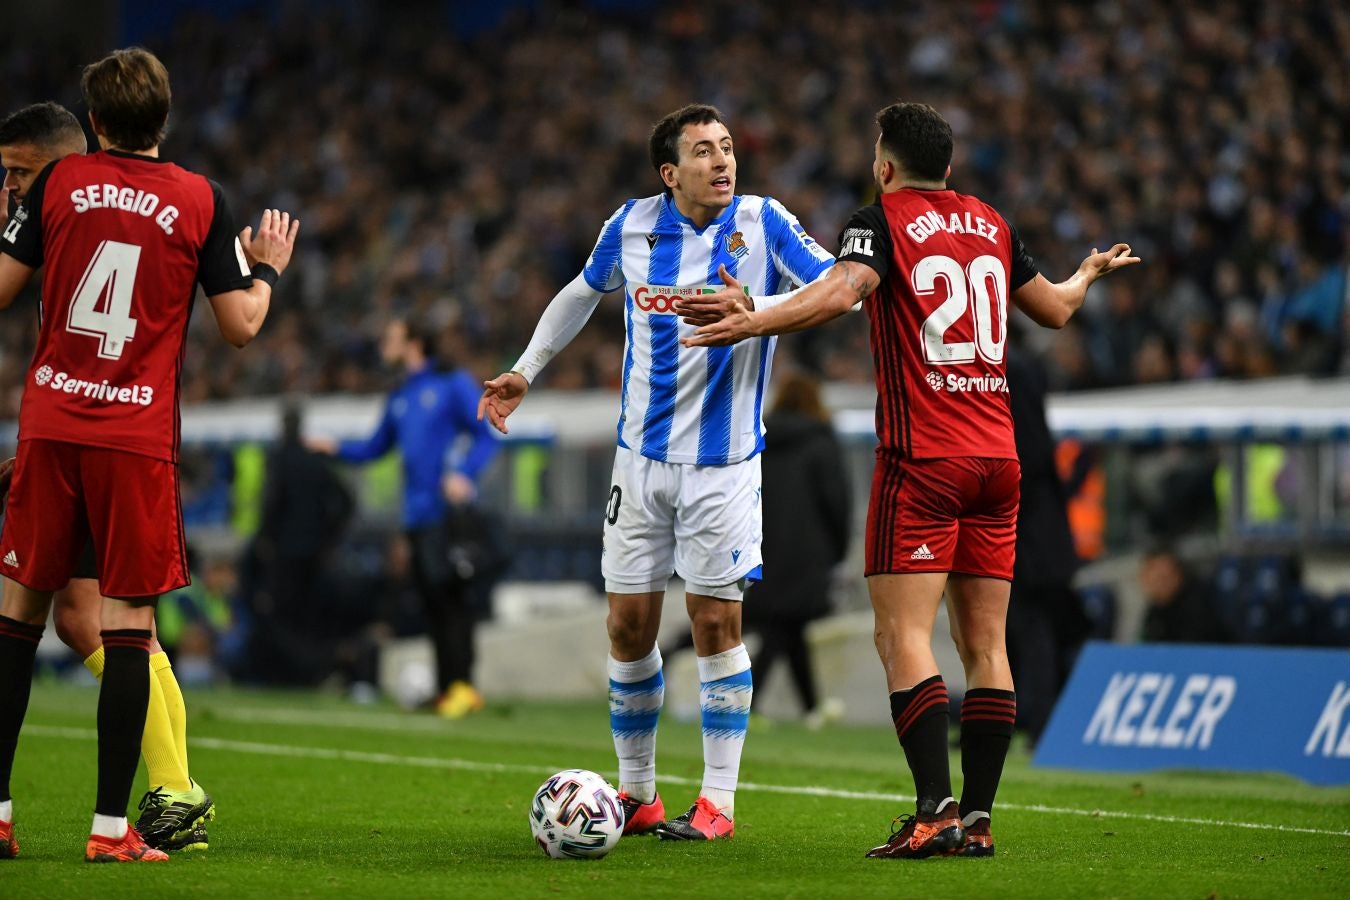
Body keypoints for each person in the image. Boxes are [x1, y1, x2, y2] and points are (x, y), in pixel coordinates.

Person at [678, 101, 1138, 858]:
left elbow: (842, 291)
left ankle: (933, 811)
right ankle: (979, 819)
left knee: (902, 634)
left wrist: (754, 317)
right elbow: (1053, 310)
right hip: (999, 459)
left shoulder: (878, 219)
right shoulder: (991, 221)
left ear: (884, 166)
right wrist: (1085, 273)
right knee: (987, 643)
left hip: (924, 459)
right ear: (950, 168)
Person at [479, 103, 835, 841]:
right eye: (703, 151)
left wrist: (757, 306)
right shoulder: (633, 226)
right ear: (670, 172)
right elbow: (583, 290)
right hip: (638, 463)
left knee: (714, 623)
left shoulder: (765, 222)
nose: (722, 161)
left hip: (724, 466)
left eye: (728, 147)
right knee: (628, 626)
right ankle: (637, 794)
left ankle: (718, 802)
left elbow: (834, 285)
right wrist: (525, 370)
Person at [0, 47, 298, 863]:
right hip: (133, 438)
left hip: (52, 424)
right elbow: (241, 327)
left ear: (93, 123)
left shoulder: (58, 186)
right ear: (165, 117)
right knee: (128, 626)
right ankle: (109, 830)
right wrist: (268, 270)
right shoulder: (202, 199)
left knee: (18, 618)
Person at [0, 100, 220, 854]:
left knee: (99, 619)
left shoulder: (64, 210)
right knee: (85, 619)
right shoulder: (66, 220)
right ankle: (168, 786)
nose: (13, 190)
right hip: (87, 437)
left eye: (21, 174)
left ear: (67, 161)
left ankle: (174, 785)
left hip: (99, 438)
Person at [310, 317, 499, 718]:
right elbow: (376, 446)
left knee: (453, 601)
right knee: (432, 602)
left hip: (447, 515)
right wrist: (336, 449)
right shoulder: (401, 393)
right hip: (416, 516)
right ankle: (448, 687)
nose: (384, 343)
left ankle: (464, 685)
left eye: (391, 336)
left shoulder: (451, 384)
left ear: (414, 341)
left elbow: (485, 432)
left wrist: (463, 474)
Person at [747, 370, 850, 726]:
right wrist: (837, 549)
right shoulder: (822, 442)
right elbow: (837, 501)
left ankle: (810, 709)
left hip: (764, 548)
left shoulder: (760, 438)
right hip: (809, 551)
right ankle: (748, 703)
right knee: (783, 627)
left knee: (787, 628)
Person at [1003, 341, 1090, 747]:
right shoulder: (1020, 366)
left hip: (1028, 535)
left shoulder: (1010, 369)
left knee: (1028, 628)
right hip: (1037, 532)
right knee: (1015, 629)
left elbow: (1031, 456)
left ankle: (1038, 723)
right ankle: (1023, 720)